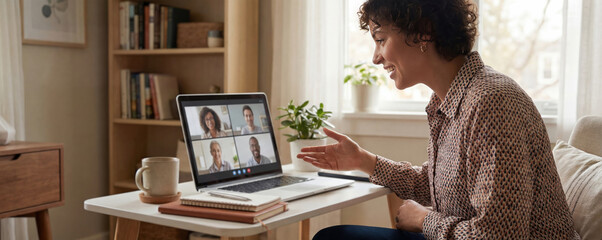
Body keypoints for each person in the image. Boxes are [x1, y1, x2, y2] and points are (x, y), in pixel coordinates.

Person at [297, 0, 579, 239]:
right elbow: (439, 185)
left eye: (381, 40)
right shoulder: (447, 101)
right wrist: (363, 160)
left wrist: (423, 220)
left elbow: (497, 235)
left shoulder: (492, 101)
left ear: (423, 33)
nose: (375, 58)